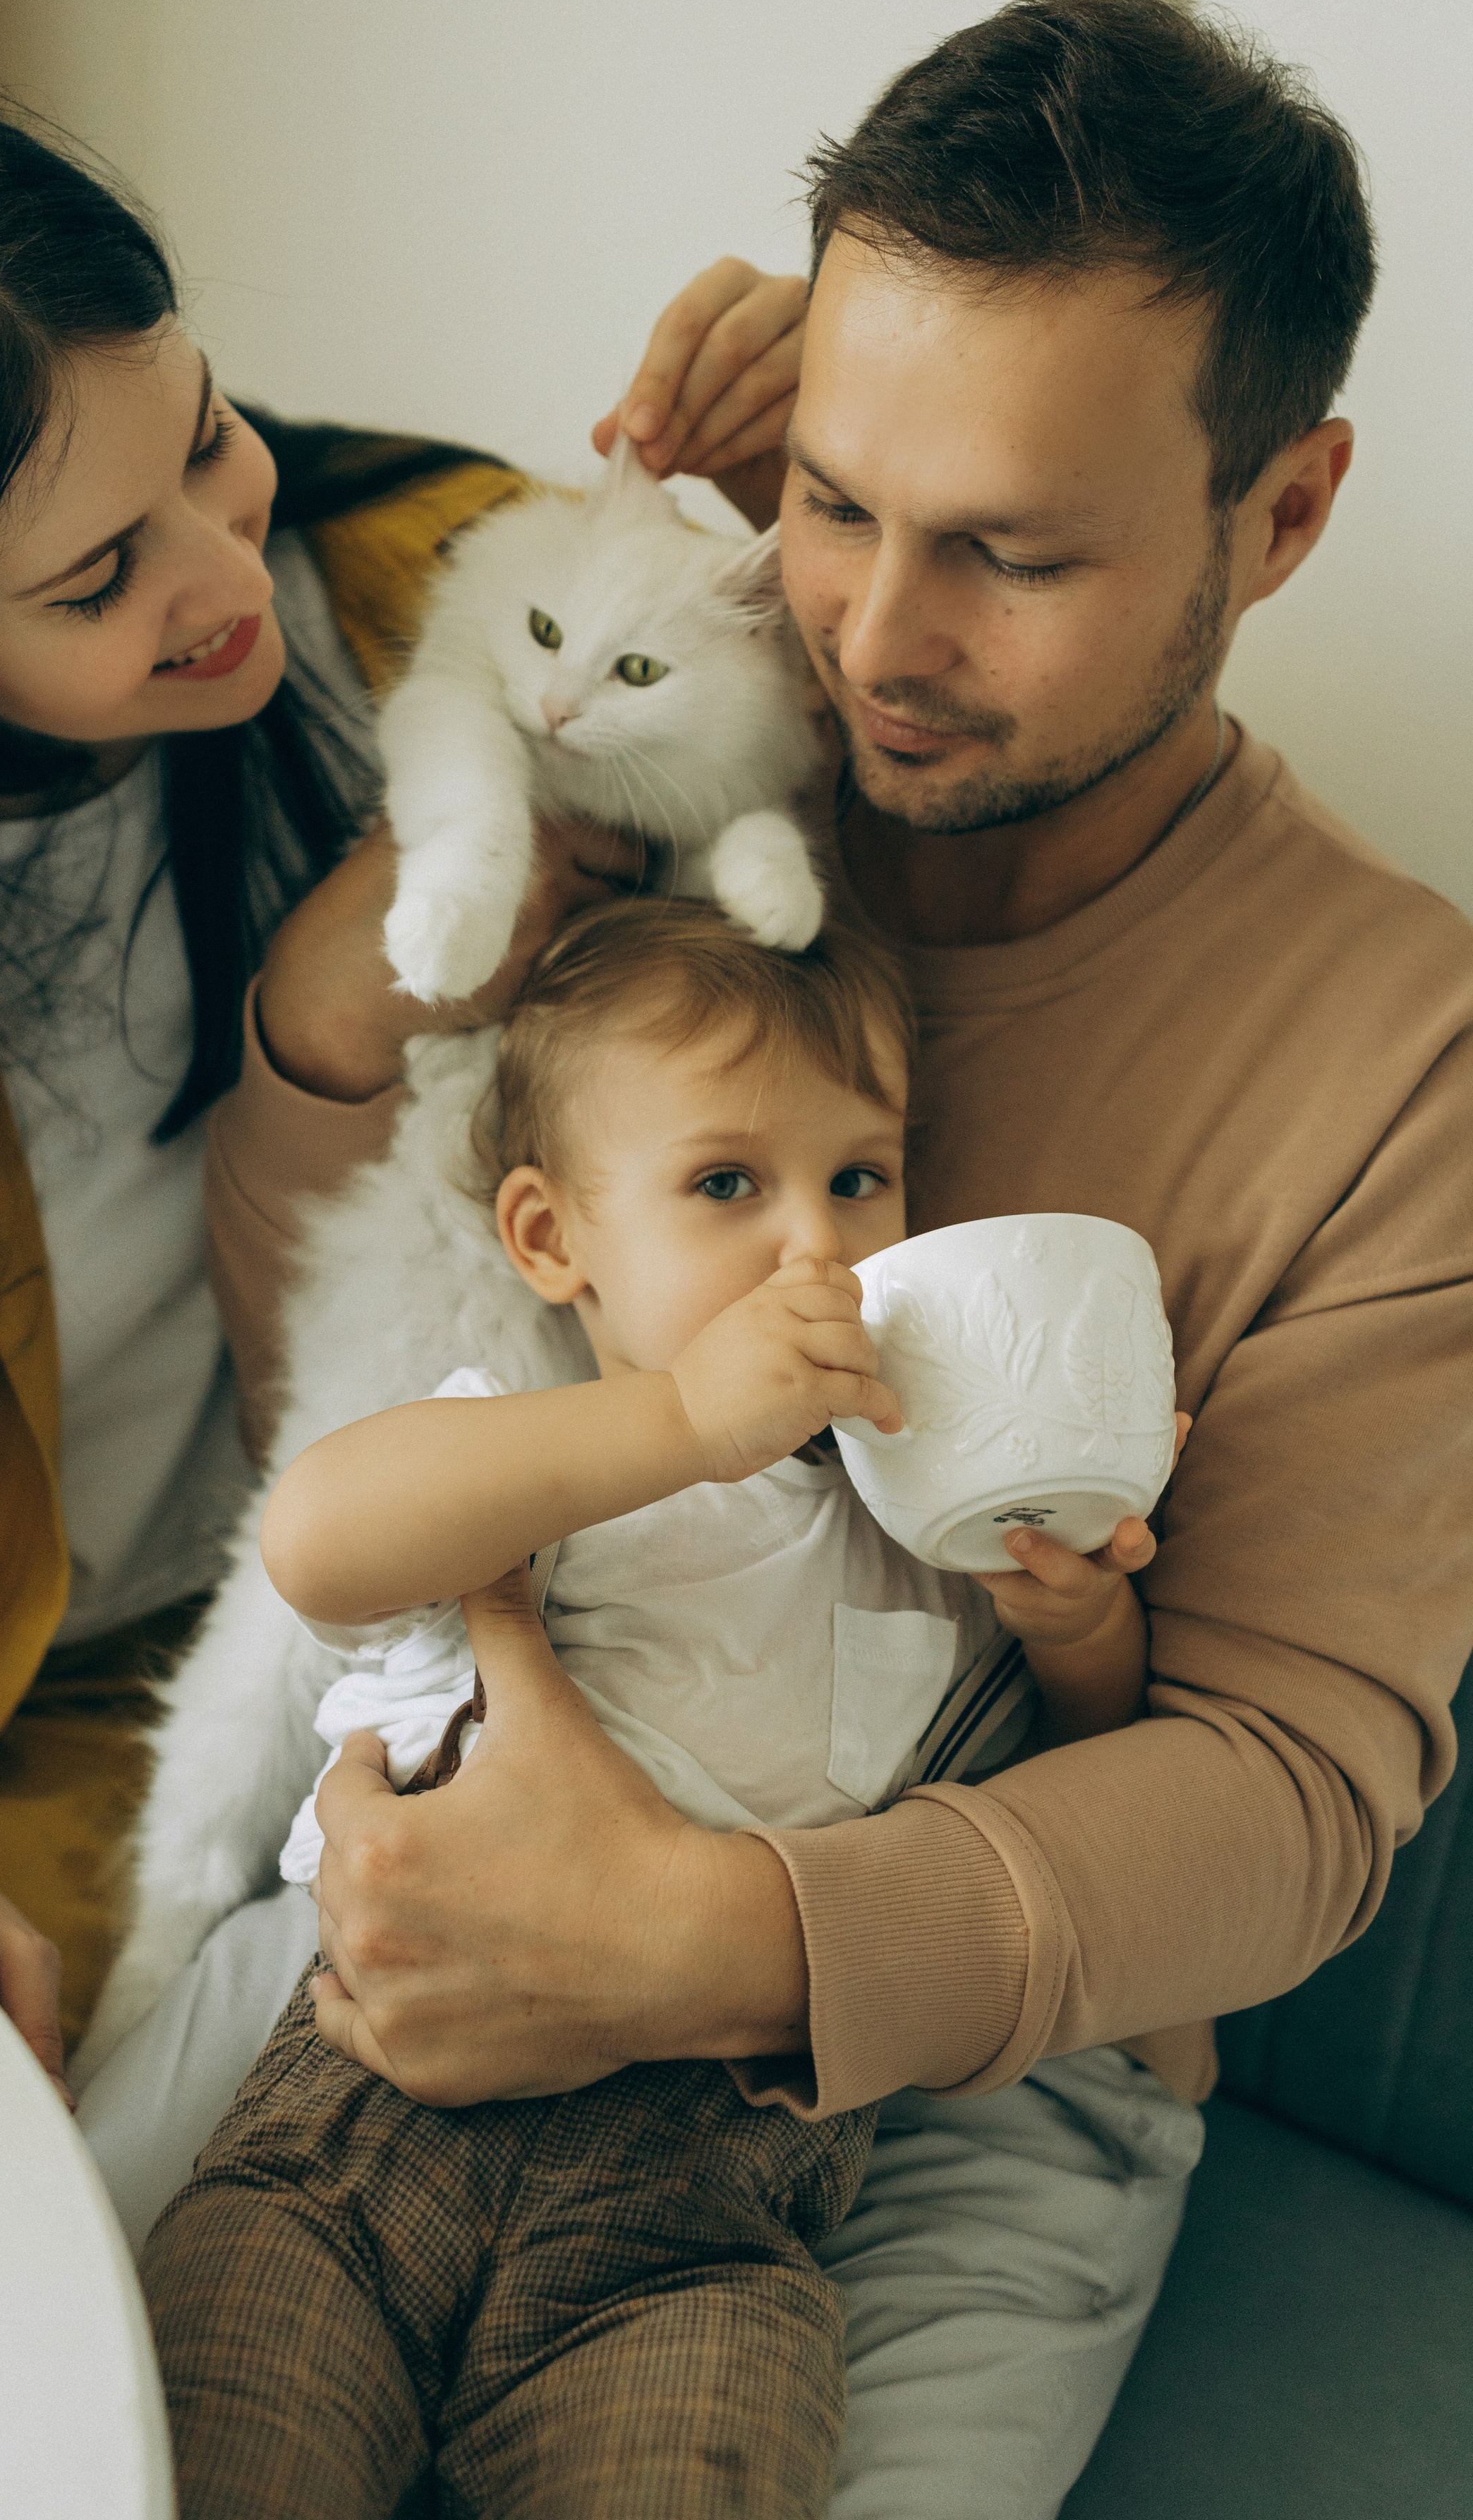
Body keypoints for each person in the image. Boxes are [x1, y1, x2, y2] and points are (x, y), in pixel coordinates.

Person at [79, 0, 1473, 2519]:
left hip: (968, 2069)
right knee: (25, 2424)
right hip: (440, 1848)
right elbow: (334, 1338)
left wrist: (711, 1943)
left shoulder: (1404, 1049)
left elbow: (1295, 1797)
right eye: (839, 502)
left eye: (1011, 553)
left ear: (1283, 516)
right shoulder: (709, 740)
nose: (875, 638)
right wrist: (645, 581)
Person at [0, 60, 635, 2082]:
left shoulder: (435, 608)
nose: (221, 575)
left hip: (388, 1659)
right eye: (98, 578)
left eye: (208, 436)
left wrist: (828, 435)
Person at [142, 897, 1165, 2519]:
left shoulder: (918, 1538)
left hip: (694, 2237)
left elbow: (1081, 1772)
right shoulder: (535, 1458)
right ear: (553, 1241)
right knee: (209, 2454)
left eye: (858, 1177)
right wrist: (686, 1422)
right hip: (352, 2159)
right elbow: (318, 1541)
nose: (813, 1247)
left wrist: (1075, 1619)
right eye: (722, 1186)